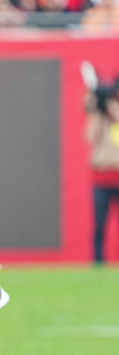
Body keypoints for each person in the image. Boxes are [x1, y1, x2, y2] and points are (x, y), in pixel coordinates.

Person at [84, 74, 119, 264]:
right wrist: (98, 108)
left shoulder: (113, 110)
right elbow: (90, 137)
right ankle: (98, 262)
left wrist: (110, 108)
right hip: (102, 179)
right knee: (99, 224)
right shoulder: (100, 113)